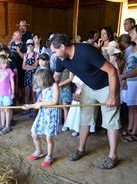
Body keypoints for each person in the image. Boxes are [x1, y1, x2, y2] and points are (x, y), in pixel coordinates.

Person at [50, 34, 120, 169]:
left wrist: (112, 95)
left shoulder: (86, 51)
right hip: (88, 86)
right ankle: (81, 149)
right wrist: (47, 94)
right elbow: (56, 78)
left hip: (106, 85)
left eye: (54, 51)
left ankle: (113, 156)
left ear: (63, 47)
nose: (54, 54)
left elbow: (112, 71)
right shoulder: (61, 58)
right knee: (84, 119)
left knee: (111, 121)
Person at [24, 69, 59, 167]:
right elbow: (38, 103)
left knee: (48, 137)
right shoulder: (43, 88)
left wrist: (41, 103)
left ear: (45, 79)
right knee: (34, 134)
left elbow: (54, 102)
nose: (38, 84)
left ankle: (49, 156)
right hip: (43, 114)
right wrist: (29, 106)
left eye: (39, 81)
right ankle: (39, 151)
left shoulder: (54, 85)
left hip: (51, 115)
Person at [119, 24, 137, 142]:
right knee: (130, 106)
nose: (130, 35)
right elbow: (127, 64)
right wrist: (123, 78)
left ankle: (135, 132)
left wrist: (123, 76)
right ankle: (130, 128)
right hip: (129, 81)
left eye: (132, 32)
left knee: (136, 108)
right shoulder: (134, 48)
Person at [0, 54, 15, 134]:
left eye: (6, 63)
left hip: (7, 94)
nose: (6, 64)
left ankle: (7, 126)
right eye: (4, 63)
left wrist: (13, 92)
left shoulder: (9, 71)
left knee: (7, 110)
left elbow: (12, 82)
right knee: (1, 109)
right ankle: (2, 124)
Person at [21, 39, 39, 115]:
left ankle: (34, 110)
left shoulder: (36, 54)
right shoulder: (25, 55)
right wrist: (30, 67)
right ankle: (26, 108)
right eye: (29, 46)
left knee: (33, 93)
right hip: (27, 76)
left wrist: (28, 67)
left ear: (33, 47)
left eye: (31, 46)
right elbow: (23, 67)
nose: (30, 48)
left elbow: (35, 66)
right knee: (26, 93)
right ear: (27, 47)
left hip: (34, 76)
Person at [9, 30, 27, 103]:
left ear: (21, 36)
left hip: (20, 65)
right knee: (12, 80)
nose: (16, 37)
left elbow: (24, 57)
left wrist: (18, 51)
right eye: (15, 35)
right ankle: (13, 96)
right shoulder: (11, 43)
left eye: (18, 35)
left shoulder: (24, 45)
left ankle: (20, 97)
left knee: (20, 81)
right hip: (11, 65)